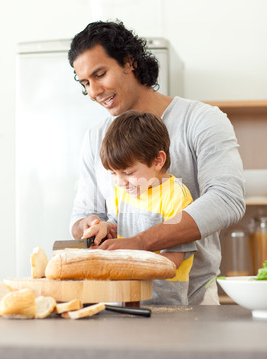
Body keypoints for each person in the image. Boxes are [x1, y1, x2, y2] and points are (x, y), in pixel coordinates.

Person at [68, 20, 246, 305]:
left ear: (129, 62)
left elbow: (226, 200)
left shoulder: (201, 120)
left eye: (100, 74)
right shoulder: (95, 138)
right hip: (120, 301)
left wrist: (140, 243)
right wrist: (91, 225)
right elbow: (82, 216)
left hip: (192, 301)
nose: (94, 91)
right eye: (85, 83)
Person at [82, 110, 197, 305]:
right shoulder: (124, 191)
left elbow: (173, 261)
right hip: (123, 301)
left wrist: (123, 260)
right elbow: (118, 224)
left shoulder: (177, 196)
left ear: (157, 161)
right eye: (113, 173)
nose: (120, 182)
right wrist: (105, 228)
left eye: (127, 172)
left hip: (163, 306)